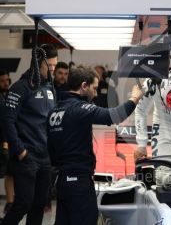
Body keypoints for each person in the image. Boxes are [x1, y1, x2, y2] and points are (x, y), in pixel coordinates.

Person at [47, 67, 143, 225]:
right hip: (78, 182)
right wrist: (134, 98)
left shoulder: (54, 111)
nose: (97, 94)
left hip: (62, 181)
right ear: (84, 86)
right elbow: (113, 115)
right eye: (94, 88)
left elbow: (50, 149)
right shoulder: (79, 109)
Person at [2, 44, 58, 225]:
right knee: (23, 204)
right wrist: (19, 150)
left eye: (55, 66)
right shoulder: (20, 87)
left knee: (39, 204)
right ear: (37, 62)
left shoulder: (50, 88)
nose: (52, 70)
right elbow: (7, 120)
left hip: (45, 157)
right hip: (26, 156)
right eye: (49, 66)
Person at [0, 71, 14, 215]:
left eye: (6, 80)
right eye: (2, 80)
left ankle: (10, 203)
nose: (5, 83)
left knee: (10, 173)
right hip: (3, 141)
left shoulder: (10, 96)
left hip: (9, 141)